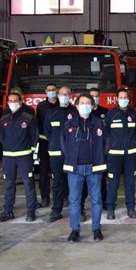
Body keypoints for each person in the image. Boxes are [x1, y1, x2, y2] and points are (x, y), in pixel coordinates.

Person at [61, 93, 106, 242]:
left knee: (96, 200)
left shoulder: (100, 123)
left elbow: (107, 142)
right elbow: (63, 143)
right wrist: (71, 157)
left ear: (93, 106)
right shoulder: (69, 124)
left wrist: (100, 156)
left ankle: (96, 229)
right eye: (82, 103)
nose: (85, 105)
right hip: (75, 168)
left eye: (88, 103)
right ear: (77, 105)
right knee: (74, 200)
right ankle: (75, 230)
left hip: (94, 167)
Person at [0, 92, 39, 222]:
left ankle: (31, 211)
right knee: (9, 184)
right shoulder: (4, 119)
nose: (13, 103)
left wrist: (30, 151)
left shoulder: (28, 118)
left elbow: (34, 136)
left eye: (16, 100)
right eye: (10, 101)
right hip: (8, 158)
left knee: (28, 184)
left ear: (21, 102)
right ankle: (8, 211)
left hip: (24, 157)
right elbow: (1, 137)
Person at [105, 89, 136, 220]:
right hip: (114, 155)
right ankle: (110, 209)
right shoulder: (111, 114)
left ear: (129, 99)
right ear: (117, 99)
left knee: (130, 182)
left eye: (125, 97)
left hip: (131, 155)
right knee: (113, 182)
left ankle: (130, 208)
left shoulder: (134, 114)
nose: (123, 99)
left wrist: (134, 145)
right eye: (121, 97)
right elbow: (106, 134)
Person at [45, 86, 78, 222]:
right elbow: (48, 132)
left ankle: (77, 209)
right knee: (57, 182)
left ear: (71, 96)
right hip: (56, 153)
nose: (64, 96)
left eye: (67, 94)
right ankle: (56, 210)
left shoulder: (76, 112)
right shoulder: (51, 113)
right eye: (62, 94)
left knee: (75, 182)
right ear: (58, 95)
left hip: (73, 153)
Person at [35, 83, 59, 207]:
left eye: (53, 90)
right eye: (49, 90)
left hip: (59, 143)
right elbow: (37, 124)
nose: (51, 92)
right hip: (44, 143)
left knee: (60, 171)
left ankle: (63, 197)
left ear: (57, 91)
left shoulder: (62, 105)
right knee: (44, 172)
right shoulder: (41, 106)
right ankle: (45, 198)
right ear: (45, 91)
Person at [89, 88, 108, 206]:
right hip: (85, 151)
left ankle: (104, 201)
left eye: (96, 96)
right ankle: (81, 206)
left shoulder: (105, 112)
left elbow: (108, 133)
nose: (94, 98)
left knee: (101, 179)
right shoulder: (82, 113)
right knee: (84, 181)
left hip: (100, 151)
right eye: (92, 96)